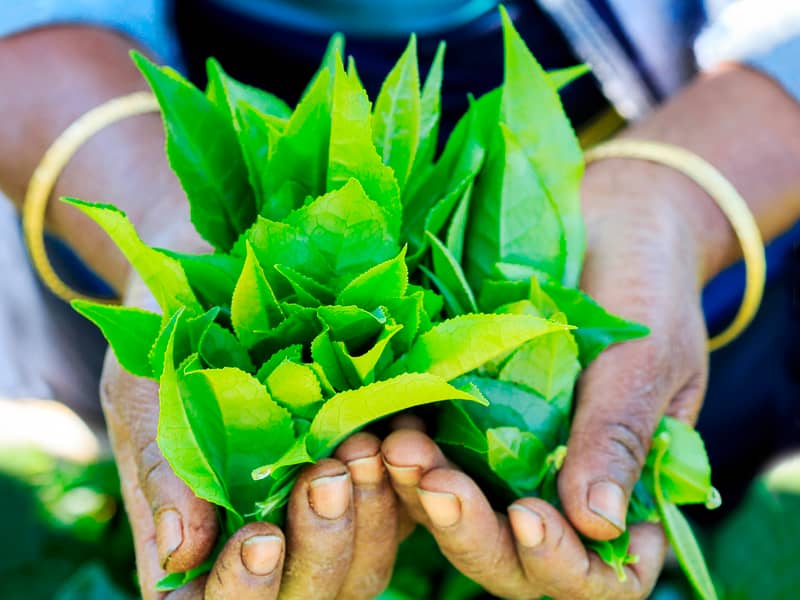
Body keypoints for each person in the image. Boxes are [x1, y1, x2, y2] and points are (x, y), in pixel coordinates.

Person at [1, 1, 799, 598]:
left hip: (688, 132)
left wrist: (675, 199)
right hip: (160, 117)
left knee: (652, 424)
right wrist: (151, 215)